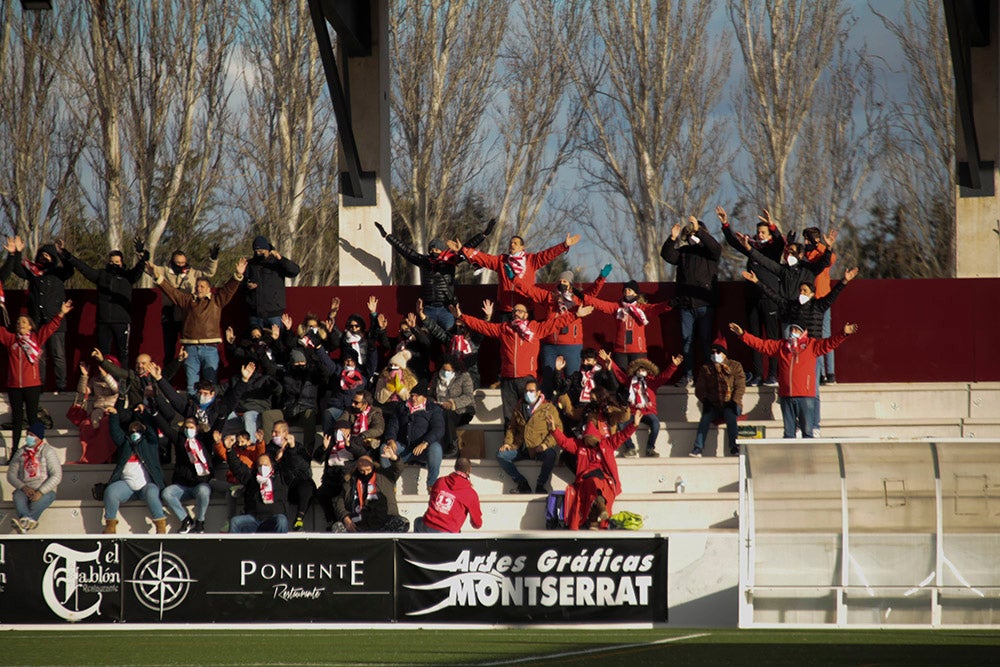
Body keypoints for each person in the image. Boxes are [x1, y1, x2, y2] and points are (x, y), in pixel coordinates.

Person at [455, 299, 592, 423]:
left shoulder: (535, 328)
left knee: (530, 418)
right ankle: (510, 449)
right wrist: (462, 317)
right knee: (510, 419)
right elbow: (482, 326)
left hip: (527, 380)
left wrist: (575, 315)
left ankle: (528, 450)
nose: (516, 313)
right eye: (514, 311)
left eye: (520, 311)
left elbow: (555, 324)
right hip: (508, 381)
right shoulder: (504, 328)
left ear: (526, 315)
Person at [729, 320, 859, 438]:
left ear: (803, 332)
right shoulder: (782, 346)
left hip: (805, 396)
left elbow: (830, 343)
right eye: (791, 329)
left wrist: (843, 333)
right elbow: (761, 345)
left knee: (807, 432)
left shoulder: (812, 345)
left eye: (796, 330)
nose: (793, 332)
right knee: (788, 433)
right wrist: (743, 335)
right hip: (786, 396)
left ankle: (809, 460)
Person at [148, 256, 247, 395]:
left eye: (202, 287)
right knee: (191, 386)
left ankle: (209, 412)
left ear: (209, 289)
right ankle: (192, 414)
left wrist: (238, 275)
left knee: (210, 385)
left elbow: (228, 290)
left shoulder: (217, 300)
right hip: (190, 348)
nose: (199, 289)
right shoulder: (187, 300)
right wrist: (157, 276)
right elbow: (171, 291)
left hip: (210, 349)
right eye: (197, 286)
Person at [374, 218, 493, 330]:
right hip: (428, 308)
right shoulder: (423, 261)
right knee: (426, 338)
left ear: (442, 250)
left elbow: (466, 248)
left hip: (446, 308)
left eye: (436, 250)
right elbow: (405, 250)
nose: (433, 252)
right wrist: (387, 236)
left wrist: (484, 234)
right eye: (431, 250)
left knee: (450, 335)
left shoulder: (451, 260)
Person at [512, 270, 606, 396]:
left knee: (573, 379)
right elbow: (529, 290)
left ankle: (572, 409)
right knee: (547, 379)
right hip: (550, 345)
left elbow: (593, 291)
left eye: (565, 281)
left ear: (570, 284)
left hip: (572, 346)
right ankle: (547, 407)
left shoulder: (577, 298)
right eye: (560, 281)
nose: (562, 283)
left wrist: (602, 277)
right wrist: (514, 278)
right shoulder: (549, 297)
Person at [449, 231, 580, 319]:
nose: (512, 244)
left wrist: (564, 245)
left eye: (515, 243)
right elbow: (484, 258)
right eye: (511, 242)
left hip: (525, 310)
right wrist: (463, 250)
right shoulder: (502, 261)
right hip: (506, 310)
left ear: (523, 247)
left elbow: (548, 255)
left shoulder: (531, 260)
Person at [720, 206, 784, 386]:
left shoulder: (773, 249)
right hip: (752, 299)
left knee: (771, 339)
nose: (760, 235)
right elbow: (733, 242)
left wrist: (772, 225)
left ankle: (772, 374)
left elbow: (780, 242)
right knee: (754, 337)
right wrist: (725, 224)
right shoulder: (751, 248)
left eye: (763, 232)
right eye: (758, 232)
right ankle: (757, 375)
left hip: (770, 299)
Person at [548, 409, 641, 530]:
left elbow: (622, 436)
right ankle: (600, 510)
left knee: (597, 485)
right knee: (593, 483)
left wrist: (634, 425)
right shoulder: (579, 445)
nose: (588, 442)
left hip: (605, 478)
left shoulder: (607, 444)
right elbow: (565, 442)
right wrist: (553, 430)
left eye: (591, 439)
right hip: (585, 479)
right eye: (587, 439)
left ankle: (595, 519)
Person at [0, 299, 70, 458]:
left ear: (30, 326)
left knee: (32, 418)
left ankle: (37, 451)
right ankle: (15, 452)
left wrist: (61, 313)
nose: (20, 325)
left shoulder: (36, 339)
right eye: (18, 323)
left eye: (24, 323)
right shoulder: (11, 339)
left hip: (32, 385)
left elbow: (50, 328)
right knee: (17, 419)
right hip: (14, 386)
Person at [4, 236, 74, 390]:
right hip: (37, 322)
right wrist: (18, 253)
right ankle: (39, 386)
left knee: (58, 355)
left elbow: (70, 269)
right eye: (42, 255)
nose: (44, 257)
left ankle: (61, 386)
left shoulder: (58, 273)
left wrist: (62, 252)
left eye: (48, 255)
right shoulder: (33, 272)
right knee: (38, 355)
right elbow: (17, 269)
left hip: (56, 321)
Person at [59, 241, 145, 366]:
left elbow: (138, 270)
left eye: (117, 262)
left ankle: (123, 382)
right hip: (103, 321)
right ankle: (104, 380)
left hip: (121, 321)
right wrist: (67, 255)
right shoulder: (101, 275)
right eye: (111, 262)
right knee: (103, 354)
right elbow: (84, 268)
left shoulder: (128, 276)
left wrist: (142, 256)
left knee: (123, 352)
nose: (114, 264)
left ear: (122, 263)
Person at [660, 215, 722, 386]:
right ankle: (688, 376)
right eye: (690, 233)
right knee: (687, 341)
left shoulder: (710, 253)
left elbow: (715, 246)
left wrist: (698, 231)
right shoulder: (684, 253)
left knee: (705, 341)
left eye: (694, 233)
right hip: (686, 305)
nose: (692, 236)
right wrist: (672, 238)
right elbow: (667, 255)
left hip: (705, 304)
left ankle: (709, 375)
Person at [602, 349, 681, 458]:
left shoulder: (653, 382)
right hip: (633, 412)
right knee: (621, 423)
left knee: (655, 424)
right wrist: (610, 360)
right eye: (639, 369)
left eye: (643, 369)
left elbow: (665, 376)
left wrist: (673, 365)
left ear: (648, 370)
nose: (641, 371)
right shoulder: (630, 381)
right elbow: (619, 374)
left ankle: (650, 448)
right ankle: (630, 448)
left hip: (648, 411)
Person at [583, 280, 673, 372]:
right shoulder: (617, 307)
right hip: (620, 350)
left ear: (635, 293)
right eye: (625, 290)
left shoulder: (641, 308)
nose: (627, 292)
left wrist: (669, 304)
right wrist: (583, 297)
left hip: (638, 350)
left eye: (629, 290)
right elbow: (600, 304)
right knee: (620, 378)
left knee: (638, 378)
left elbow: (655, 308)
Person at [102, 407, 168, 534]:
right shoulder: (124, 444)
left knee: (152, 493)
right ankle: (110, 525)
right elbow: (115, 431)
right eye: (132, 431)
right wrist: (114, 415)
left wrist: (144, 414)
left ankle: (160, 524)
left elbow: (152, 432)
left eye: (138, 431)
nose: (134, 433)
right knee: (110, 492)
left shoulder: (150, 444)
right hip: (127, 486)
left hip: (147, 485)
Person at [148, 245, 219, 359]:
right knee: (169, 349)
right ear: (172, 262)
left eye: (183, 263)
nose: (181, 265)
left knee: (188, 349)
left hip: (187, 314)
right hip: (169, 314)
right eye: (178, 263)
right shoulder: (164, 271)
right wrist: (141, 253)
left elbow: (209, 272)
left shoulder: (192, 273)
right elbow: (149, 268)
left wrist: (213, 259)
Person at [497, 378, 562, 494]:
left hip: (539, 448)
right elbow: (512, 428)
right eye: (526, 391)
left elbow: (557, 430)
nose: (528, 393)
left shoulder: (549, 408)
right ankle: (522, 483)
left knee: (551, 455)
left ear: (538, 393)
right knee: (501, 455)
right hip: (520, 447)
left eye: (531, 391)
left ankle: (541, 484)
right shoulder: (518, 407)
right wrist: (507, 443)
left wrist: (545, 445)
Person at [382, 382, 446, 490]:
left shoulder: (433, 409)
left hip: (424, 449)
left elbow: (438, 429)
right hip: (403, 447)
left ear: (424, 397)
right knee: (384, 450)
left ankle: (431, 485)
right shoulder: (401, 407)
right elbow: (393, 425)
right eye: (412, 395)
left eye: (417, 396)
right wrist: (391, 439)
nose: (414, 398)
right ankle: (390, 485)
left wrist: (425, 443)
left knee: (436, 449)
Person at [690, 341, 746, 457]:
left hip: (730, 403)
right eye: (713, 352)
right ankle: (698, 448)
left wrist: (734, 401)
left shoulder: (735, 366)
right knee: (705, 419)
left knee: (731, 417)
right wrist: (706, 401)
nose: (715, 354)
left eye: (718, 352)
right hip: (713, 405)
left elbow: (740, 386)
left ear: (724, 354)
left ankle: (734, 447)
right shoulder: (706, 368)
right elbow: (700, 388)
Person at [161, 417, 214, 533]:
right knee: (167, 493)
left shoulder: (204, 440)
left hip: (199, 484)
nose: (188, 430)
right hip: (182, 486)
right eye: (186, 427)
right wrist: (154, 412)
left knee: (204, 491)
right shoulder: (180, 440)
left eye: (191, 427)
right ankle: (186, 520)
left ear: (197, 428)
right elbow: (166, 428)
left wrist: (221, 416)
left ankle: (200, 521)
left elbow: (216, 429)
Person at [6, 422, 61, 533]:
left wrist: (41, 492)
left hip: (45, 490)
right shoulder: (21, 452)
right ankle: (26, 522)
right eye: (27, 434)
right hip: (25, 489)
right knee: (18, 497)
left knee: (39, 501)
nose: (28, 437)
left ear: (39, 437)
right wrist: (23, 487)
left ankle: (25, 523)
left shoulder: (48, 451)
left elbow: (56, 475)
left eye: (32, 435)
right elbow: (11, 474)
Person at [332, 454, 407, 533]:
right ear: (357, 468)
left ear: (373, 467)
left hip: (384, 523)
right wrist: (346, 518)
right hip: (358, 525)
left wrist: (394, 458)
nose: (365, 473)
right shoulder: (349, 482)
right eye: (362, 471)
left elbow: (399, 468)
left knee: (402, 522)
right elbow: (339, 503)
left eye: (368, 470)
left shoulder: (385, 476)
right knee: (337, 527)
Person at [266, 421, 317, 531]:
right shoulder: (269, 448)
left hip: (294, 486)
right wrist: (277, 456)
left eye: (277, 432)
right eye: (272, 432)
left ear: (285, 433)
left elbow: (304, 470)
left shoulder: (298, 447)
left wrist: (292, 449)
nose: (273, 435)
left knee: (308, 485)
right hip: (278, 485)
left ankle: (299, 518)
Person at [66, 359, 119, 464]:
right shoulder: (95, 379)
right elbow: (83, 391)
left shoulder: (118, 379)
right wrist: (84, 376)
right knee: (86, 425)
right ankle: (92, 456)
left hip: (111, 410)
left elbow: (115, 389)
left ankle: (107, 457)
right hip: (97, 410)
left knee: (105, 425)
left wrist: (106, 375)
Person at [243, 235, 300, 330]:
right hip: (255, 313)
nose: (258, 254)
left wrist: (280, 259)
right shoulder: (251, 265)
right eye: (256, 251)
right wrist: (247, 286)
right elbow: (241, 284)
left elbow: (295, 271)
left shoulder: (277, 263)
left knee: (276, 340)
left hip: (274, 312)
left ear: (267, 250)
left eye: (261, 251)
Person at [414, 457, 483, 533]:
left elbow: (431, 502)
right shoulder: (471, 494)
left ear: (455, 467)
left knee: (418, 521)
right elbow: (477, 524)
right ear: (469, 470)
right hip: (449, 532)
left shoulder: (440, 481)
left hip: (428, 526)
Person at [227, 452, 290, 533]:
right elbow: (238, 468)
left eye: (265, 465)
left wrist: (290, 448)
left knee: (282, 520)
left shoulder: (281, 477)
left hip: (273, 520)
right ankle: (235, 545)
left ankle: (280, 545)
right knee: (235, 521)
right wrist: (229, 451)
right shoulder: (251, 478)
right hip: (254, 520)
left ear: (271, 465)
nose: (263, 467)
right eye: (260, 465)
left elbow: (292, 467)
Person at [429, 356, 475, 457]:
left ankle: (452, 446)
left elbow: (468, 397)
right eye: (444, 369)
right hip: (440, 408)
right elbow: (431, 394)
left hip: (462, 410)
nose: (446, 372)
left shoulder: (464, 376)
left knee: (447, 415)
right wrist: (433, 401)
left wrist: (452, 403)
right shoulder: (437, 376)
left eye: (448, 370)